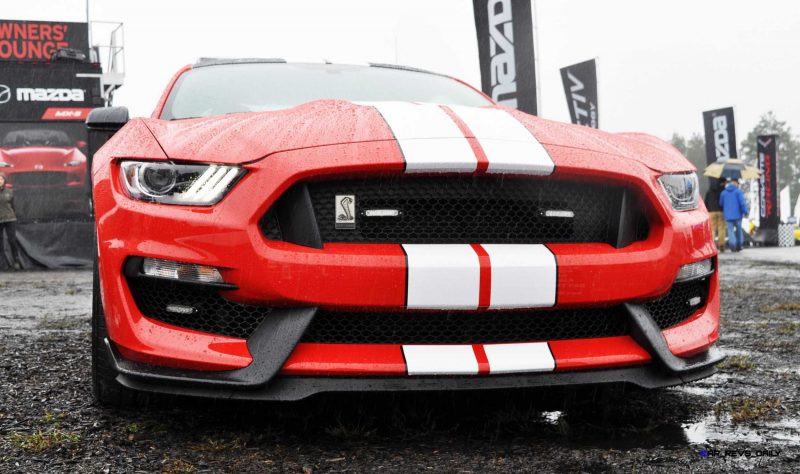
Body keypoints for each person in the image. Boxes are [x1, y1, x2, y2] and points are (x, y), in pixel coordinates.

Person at [0, 172, 23, 270]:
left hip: (10, 219)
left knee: (12, 241)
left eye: (1, 179)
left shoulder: (10, 192)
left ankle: (16, 261)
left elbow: (13, 206)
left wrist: (13, 215)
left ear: (4, 181)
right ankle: (2, 263)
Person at [719, 177, 748, 252]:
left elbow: (721, 204)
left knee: (730, 231)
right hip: (738, 215)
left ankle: (732, 246)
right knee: (739, 231)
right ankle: (739, 246)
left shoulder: (723, 193)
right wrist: (745, 212)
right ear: (736, 184)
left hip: (728, 216)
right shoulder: (738, 192)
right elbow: (742, 203)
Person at [704, 177, 727, 251]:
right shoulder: (723, 190)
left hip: (711, 212)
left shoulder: (709, 191)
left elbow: (706, 201)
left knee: (712, 229)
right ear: (722, 182)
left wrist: (707, 210)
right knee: (721, 228)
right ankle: (721, 245)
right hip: (721, 211)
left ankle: (712, 245)